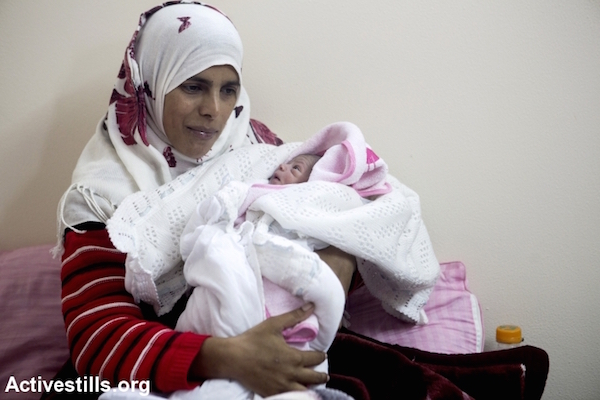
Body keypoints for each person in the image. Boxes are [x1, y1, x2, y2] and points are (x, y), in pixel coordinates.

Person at [48, 2, 549, 400]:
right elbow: (97, 334)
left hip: (268, 334)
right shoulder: (104, 195)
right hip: (163, 356)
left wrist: (335, 254)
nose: (214, 111)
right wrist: (224, 357)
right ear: (150, 84)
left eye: (229, 89)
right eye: (194, 86)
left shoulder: (261, 157)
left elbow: (310, 243)